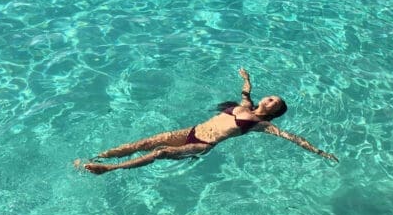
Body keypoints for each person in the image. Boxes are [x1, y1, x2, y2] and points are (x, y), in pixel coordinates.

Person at [78, 69, 338, 174]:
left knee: (160, 152)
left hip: (202, 143)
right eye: (270, 97)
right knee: (144, 142)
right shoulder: (245, 105)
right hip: (191, 131)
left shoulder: (262, 125)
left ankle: (108, 170)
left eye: (275, 103)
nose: (270, 100)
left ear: (272, 113)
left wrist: (317, 151)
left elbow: (292, 138)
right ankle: (97, 158)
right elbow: (245, 91)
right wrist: (247, 78)